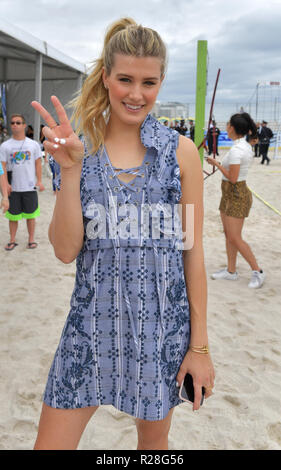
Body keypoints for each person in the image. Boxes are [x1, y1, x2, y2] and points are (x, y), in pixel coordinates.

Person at [31, 17, 215, 451]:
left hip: (162, 332)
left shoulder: (181, 153)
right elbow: (63, 250)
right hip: (88, 331)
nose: (137, 93)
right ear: (106, 77)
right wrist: (71, 170)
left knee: (153, 445)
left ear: (161, 81)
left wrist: (201, 349)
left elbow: (192, 253)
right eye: (125, 79)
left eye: (149, 82)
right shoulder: (78, 150)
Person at [206, 112, 265, 289]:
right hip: (229, 194)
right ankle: (231, 271)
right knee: (228, 235)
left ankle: (258, 271)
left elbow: (233, 178)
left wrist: (216, 164)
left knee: (235, 237)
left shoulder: (239, 149)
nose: (226, 128)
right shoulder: (241, 146)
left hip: (237, 193)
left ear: (232, 128)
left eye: (228, 125)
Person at [0, 113, 45, 251]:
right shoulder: (5, 146)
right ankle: (12, 240)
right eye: (13, 123)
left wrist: (40, 181)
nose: (15, 125)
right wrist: (5, 188)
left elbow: (38, 164)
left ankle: (31, 240)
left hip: (29, 187)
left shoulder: (33, 145)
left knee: (31, 216)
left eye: (18, 123)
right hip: (13, 188)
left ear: (24, 126)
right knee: (13, 217)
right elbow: (2, 169)